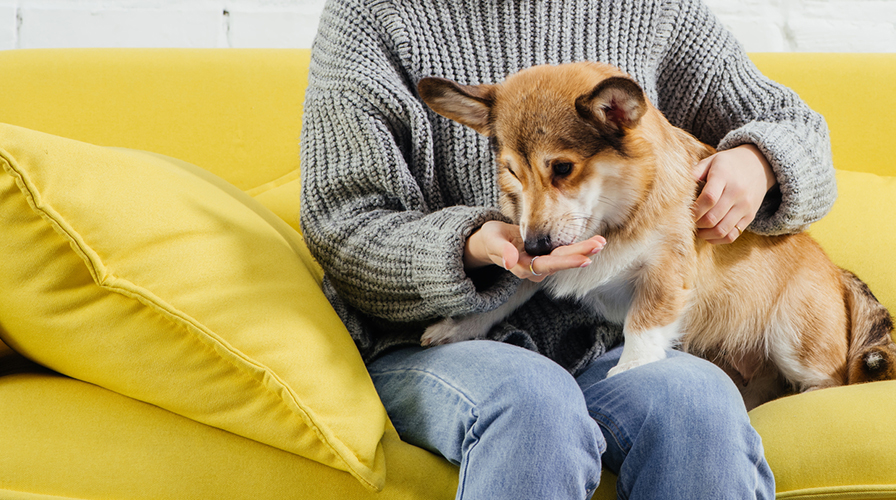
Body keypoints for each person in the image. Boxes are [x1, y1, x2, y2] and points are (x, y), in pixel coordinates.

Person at [300, 0, 836, 498]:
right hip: (432, 342)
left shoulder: (649, 8)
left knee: (696, 401)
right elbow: (341, 226)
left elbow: (800, 129)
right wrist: (468, 248)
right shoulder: (371, 17)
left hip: (604, 341)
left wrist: (758, 161)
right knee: (534, 403)